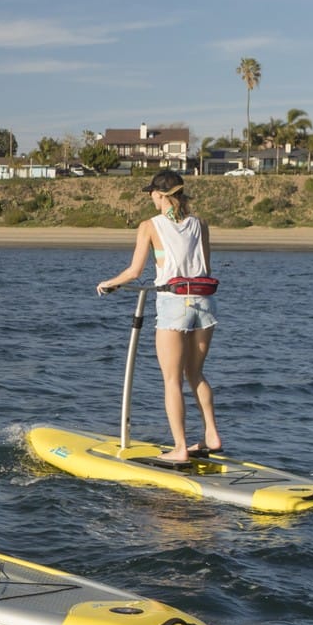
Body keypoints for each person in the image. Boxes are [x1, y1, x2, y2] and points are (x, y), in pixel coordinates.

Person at [96, 169, 220, 464]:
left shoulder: (149, 226)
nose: (150, 197)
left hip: (174, 304)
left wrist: (108, 284)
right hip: (204, 301)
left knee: (171, 380)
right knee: (195, 374)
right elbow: (206, 266)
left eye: (152, 192)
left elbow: (135, 272)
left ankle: (179, 448)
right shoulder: (200, 225)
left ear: (162, 195)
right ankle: (212, 436)